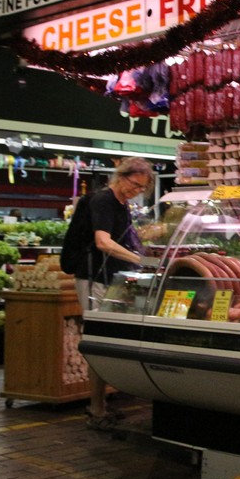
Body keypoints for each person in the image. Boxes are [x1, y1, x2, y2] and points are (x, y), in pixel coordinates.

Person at [73, 156, 154, 430]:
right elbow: (103, 242)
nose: (137, 191)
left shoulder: (121, 204)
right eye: (135, 184)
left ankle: (103, 404)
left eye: (142, 188)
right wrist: (140, 260)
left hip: (112, 277)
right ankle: (96, 408)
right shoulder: (103, 201)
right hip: (95, 277)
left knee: (110, 338)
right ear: (121, 176)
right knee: (98, 338)